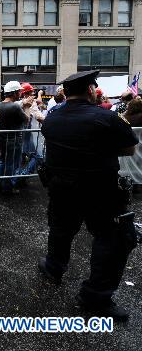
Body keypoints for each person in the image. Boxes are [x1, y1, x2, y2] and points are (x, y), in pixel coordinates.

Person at [39, 69, 138, 321]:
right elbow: (128, 148)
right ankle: (95, 296)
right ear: (91, 90)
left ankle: (53, 268)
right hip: (99, 191)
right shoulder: (105, 118)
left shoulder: (51, 119)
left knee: (60, 231)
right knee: (111, 240)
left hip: (61, 189)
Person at [0, 81, 30, 195]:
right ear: (14, 93)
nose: (20, 93)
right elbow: (26, 120)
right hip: (14, 140)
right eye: (19, 91)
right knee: (12, 164)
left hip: (2, 139)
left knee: (2, 162)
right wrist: (27, 107)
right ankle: (8, 187)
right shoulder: (15, 106)